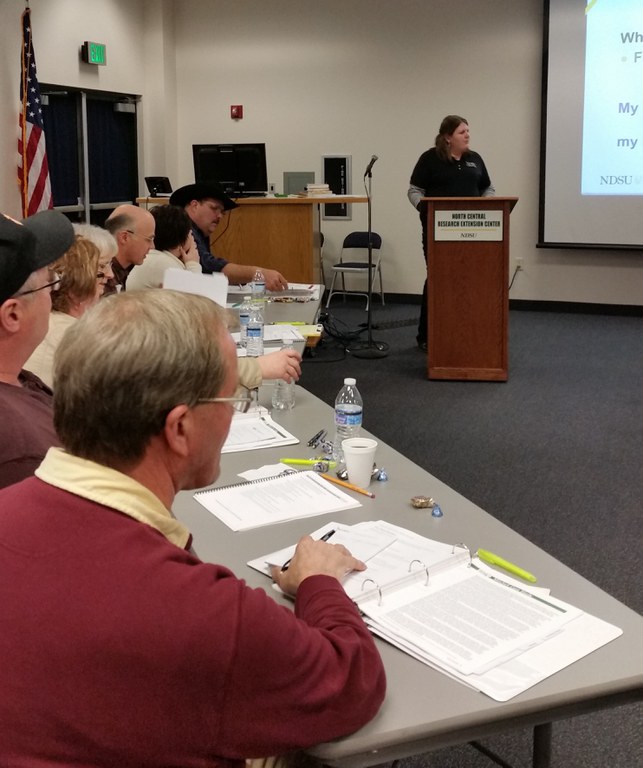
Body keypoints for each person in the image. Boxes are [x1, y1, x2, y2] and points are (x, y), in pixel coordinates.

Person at [0, 289, 386, 764]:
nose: (233, 412)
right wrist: (320, 583)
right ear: (179, 429)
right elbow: (351, 682)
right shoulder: (204, 612)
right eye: (231, 398)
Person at [0, 209, 75, 489]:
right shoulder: (22, 452)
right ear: (13, 315)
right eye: (48, 285)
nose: (51, 297)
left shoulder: (18, 379)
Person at [408, 115, 495, 350]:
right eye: (462, 132)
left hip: (474, 233)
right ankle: (427, 335)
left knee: (469, 281)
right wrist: (423, 207)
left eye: (468, 131)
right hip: (438, 233)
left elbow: (488, 187)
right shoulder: (430, 159)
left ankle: (465, 330)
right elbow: (415, 190)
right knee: (438, 279)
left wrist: (485, 205)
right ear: (447, 137)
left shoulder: (474, 159)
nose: (467, 135)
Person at [24, 234, 113, 388]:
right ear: (76, 285)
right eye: (100, 269)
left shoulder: (45, 323)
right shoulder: (78, 336)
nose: (110, 275)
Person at [170, 182, 289, 290]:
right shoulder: (182, 229)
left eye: (222, 212)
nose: (220, 216)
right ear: (195, 205)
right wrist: (257, 273)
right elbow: (208, 266)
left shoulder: (198, 232)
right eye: (214, 208)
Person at [127, 203, 202, 290]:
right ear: (181, 240)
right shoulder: (165, 265)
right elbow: (196, 298)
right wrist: (193, 264)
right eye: (191, 234)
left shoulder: (156, 258)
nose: (193, 240)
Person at [103, 203, 156, 293]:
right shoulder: (103, 278)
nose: (152, 247)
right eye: (149, 239)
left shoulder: (122, 270)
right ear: (124, 237)